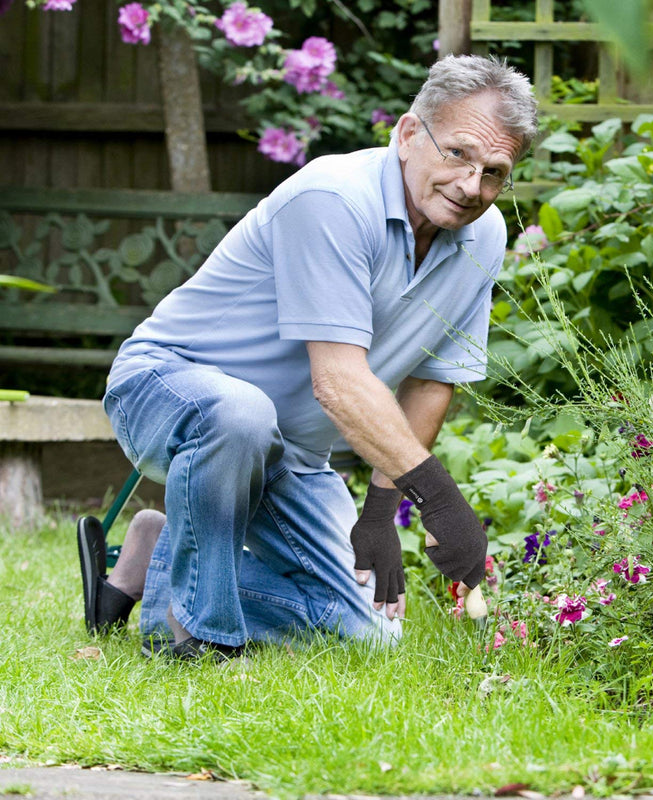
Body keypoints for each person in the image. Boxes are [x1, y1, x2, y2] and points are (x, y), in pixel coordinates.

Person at [78, 53, 538, 659]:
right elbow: (339, 382)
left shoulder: (485, 235)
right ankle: (196, 635)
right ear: (408, 134)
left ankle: (157, 554)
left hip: (292, 452)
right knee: (240, 413)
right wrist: (442, 504)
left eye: (494, 172)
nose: (471, 186)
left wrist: (379, 513)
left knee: (369, 635)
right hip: (170, 388)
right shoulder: (334, 197)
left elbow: (430, 380)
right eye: (457, 153)